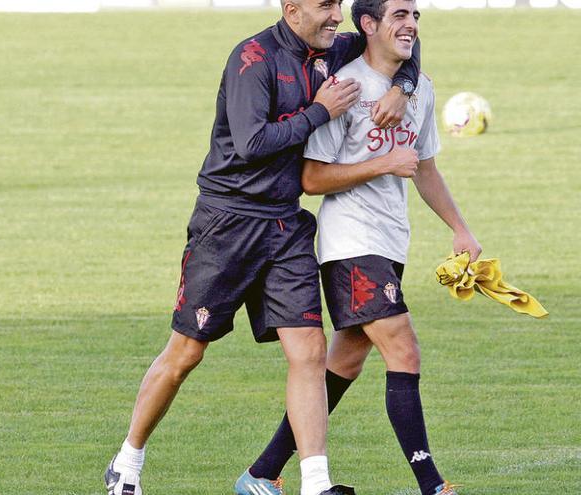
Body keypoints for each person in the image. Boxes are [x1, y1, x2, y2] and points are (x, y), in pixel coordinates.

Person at [102, 0, 424, 493]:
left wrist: (402, 89)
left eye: (338, 5)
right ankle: (127, 462)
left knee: (310, 351)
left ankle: (315, 482)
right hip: (227, 223)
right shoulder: (252, 58)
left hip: (286, 224)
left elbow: (400, 42)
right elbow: (251, 144)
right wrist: (322, 111)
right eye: (324, 6)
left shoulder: (334, 48)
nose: (336, 16)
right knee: (186, 352)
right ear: (292, 9)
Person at [236, 0, 481, 494]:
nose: (411, 24)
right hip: (350, 242)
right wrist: (382, 164)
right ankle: (432, 485)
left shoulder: (421, 88)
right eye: (399, 16)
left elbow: (424, 167)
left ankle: (261, 474)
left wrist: (461, 229)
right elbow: (311, 177)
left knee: (345, 361)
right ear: (368, 24)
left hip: (390, 240)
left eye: (415, 16)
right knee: (404, 348)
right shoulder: (344, 89)